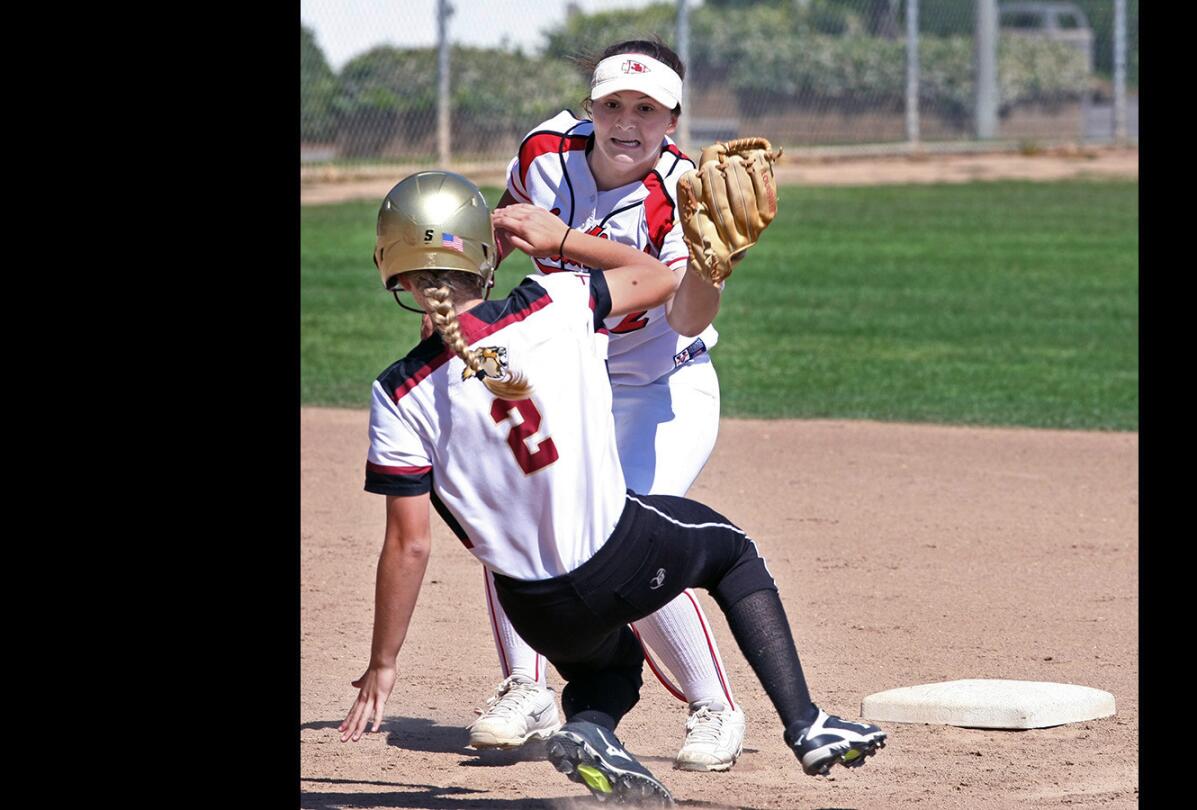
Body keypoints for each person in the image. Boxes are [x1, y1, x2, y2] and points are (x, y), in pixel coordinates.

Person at [339, 170, 885, 805]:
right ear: (486, 255)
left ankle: (593, 730)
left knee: (613, 669)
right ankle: (807, 723)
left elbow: (409, 547)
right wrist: (564, 238)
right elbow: (661, 277)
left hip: (535, 611)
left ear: (393, 271)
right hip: (616, 557)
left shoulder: (396, 393)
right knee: (729, 549)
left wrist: (383, 665)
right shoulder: (552, 301)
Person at [456, 39, 745, 772]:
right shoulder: (545, 153)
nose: (626, 122)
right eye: (613, 104)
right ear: (591, 108)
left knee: (626, 535)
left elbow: (680, 314)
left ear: (672, 120)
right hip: (570, 375)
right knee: (515, 513)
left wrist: (709, 269)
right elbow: (504, 242)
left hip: (662, 384)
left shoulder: (683, 191)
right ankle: (527, 687)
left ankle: (715, 707)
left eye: (645, 109)